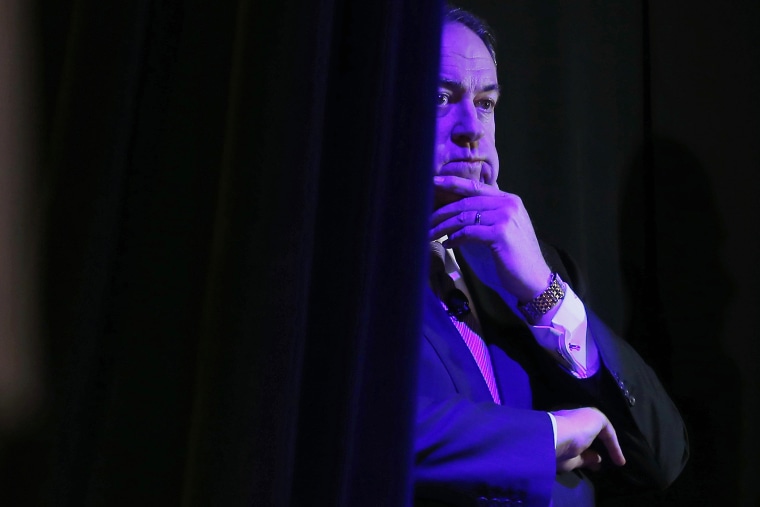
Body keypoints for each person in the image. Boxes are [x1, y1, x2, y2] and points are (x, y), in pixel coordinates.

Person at [414, 5, 689, 506]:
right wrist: (548, 435)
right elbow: (354, 425)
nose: (471, 129)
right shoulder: (329, 265)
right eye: (439, 98)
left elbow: (661, 457)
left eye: (486, 103)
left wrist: (545, 292)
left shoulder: (526, 267)